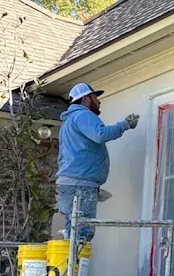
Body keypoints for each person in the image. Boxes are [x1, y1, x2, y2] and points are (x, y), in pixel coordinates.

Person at [57, 83, 140, 240]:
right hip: (81, 186)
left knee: (72, 234)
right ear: (86, 98)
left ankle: (69, 265)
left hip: (69, 185)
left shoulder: (68, 123)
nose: (99, 101)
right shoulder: (82, 115)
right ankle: (78, 264)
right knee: (82, 235)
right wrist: (125, 124)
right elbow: (100, 134)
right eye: (96, 97)